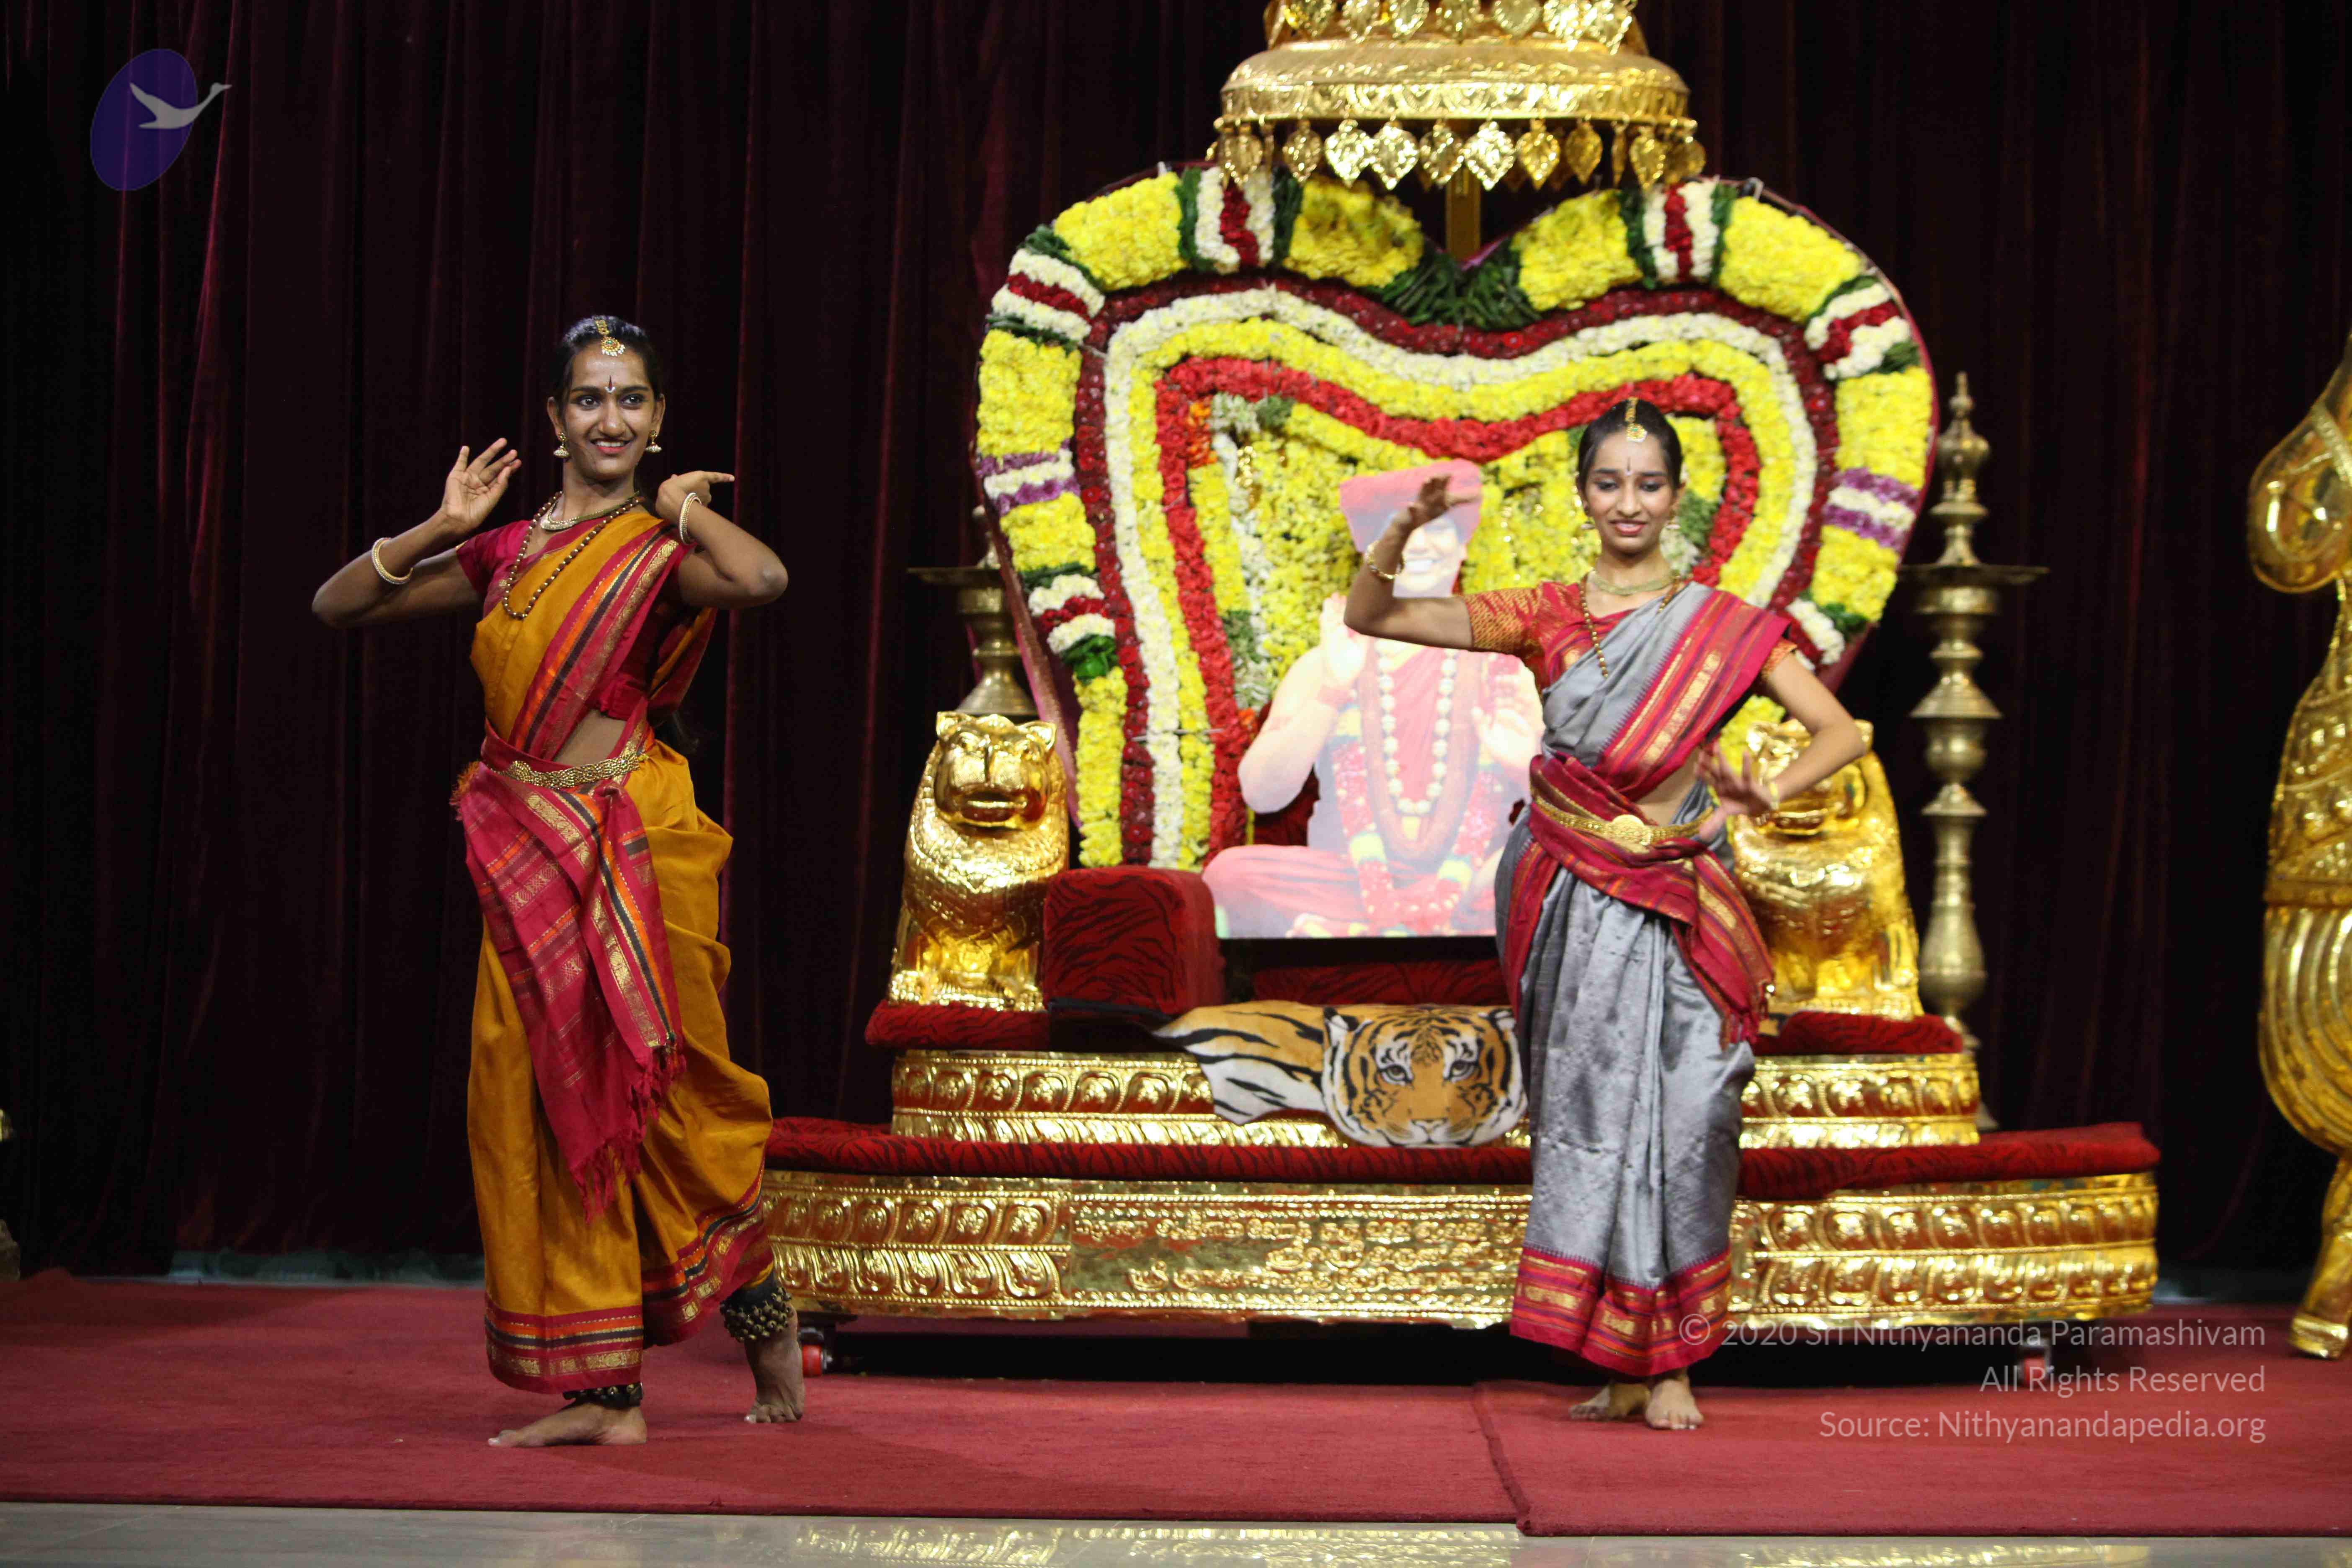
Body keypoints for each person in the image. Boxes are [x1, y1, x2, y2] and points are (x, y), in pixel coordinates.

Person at [312, 315, 799, 1447]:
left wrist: (682, 507)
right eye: (589, 398)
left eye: (631, 399)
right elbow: (338, 606)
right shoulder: (504, 554)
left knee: (670, 1099)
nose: (610, 418)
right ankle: (606, 1395)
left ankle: (763, 1306)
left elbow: (764, 577)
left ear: (657, 418)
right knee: (545, 1108)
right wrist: (442, 525)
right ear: (554, 418)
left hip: (635, 843)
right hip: (528, 847)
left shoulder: (659, 553)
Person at [1343, 397, 1867, 1429]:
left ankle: (1672, 1361)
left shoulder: (1722, 624)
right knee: (1595, 1116)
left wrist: (1761, 794)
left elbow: (1840, 732)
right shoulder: (1541, 613)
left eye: (1649, 483)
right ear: (1583, 494)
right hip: (1571, 891)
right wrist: (1403, 531)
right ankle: (1630, 1365)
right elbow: (1376, 616)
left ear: (1678, 496)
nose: (1629, 501)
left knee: (1689, 1114)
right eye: (1609, 482)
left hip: (1679, 896)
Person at [1203, 478, 1542, 938]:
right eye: (1400, 529)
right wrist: (1332, 690)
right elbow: (1262, 795)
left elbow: (1570, 812)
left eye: (1436, 528)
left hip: (1472, 880)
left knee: (1555, 868)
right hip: (1350, 881)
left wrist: (1524, 767)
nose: (1417, 544)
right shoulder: (1328, 661)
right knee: (1231, 875)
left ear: (1463, 545)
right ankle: (1419, 926)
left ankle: (1357, 929)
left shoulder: (1505, 668)